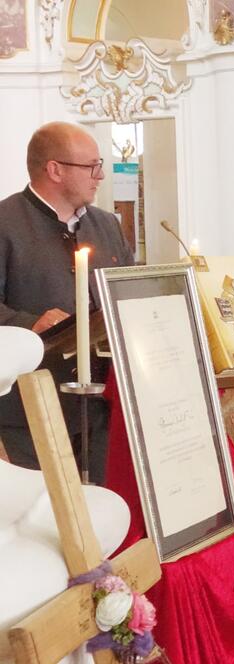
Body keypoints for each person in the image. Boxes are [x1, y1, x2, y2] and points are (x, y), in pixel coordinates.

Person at [0, 121, 134, 485]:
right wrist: (30, 323)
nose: (100, 175)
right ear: (55, 170)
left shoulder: (107, 225)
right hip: (31, 406)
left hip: (102, 403)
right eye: (91, 166)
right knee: (48, 510)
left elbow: (127, 294)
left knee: (102, 503)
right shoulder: (5, 223)